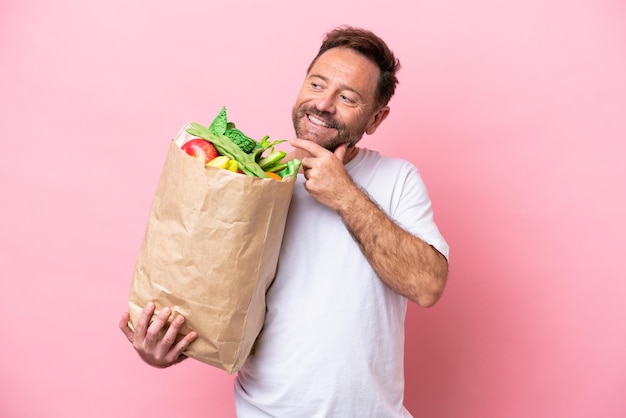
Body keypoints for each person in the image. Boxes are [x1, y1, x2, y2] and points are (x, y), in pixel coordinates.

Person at [120, 25, 449, 417]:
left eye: (347, 97)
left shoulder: (398, 180)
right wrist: (163, 350)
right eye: (316, 85)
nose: (323, 104)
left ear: (376, 118)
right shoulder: (249, 183)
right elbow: (212, 308)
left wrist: (344, 194)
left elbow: (427, 286)